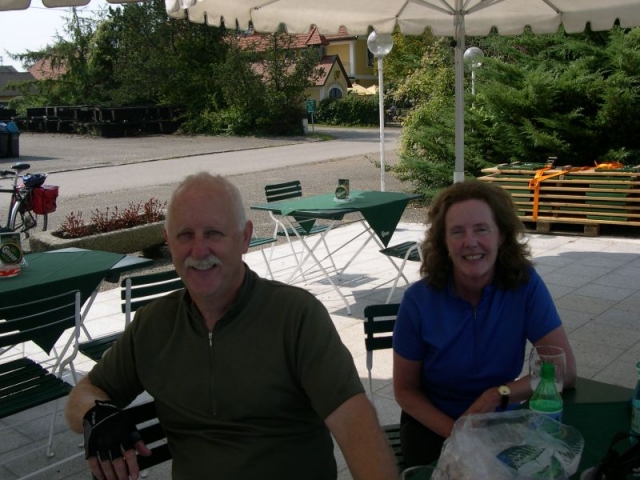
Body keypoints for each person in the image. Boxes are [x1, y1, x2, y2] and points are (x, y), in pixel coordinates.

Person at [65, 172, 398, 480]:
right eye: (185, 235)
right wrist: (97, 415)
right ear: (168, 241)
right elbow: (83, 395)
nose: (199, 250)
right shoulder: (155, 324)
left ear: (245, 238)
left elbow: (355, 426)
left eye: (213, 233)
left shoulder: (295, 317)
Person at [392, 180, 577, 467]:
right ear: (443, 242)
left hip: (503, 420)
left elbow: (564, 370)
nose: (470, 242)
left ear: (501, 235)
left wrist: (497, 395)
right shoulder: (418, 301)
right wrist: (458, 433)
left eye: (481, 229)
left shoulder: (524, 286)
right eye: (457, 232)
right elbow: (405, 391)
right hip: (433, 424)